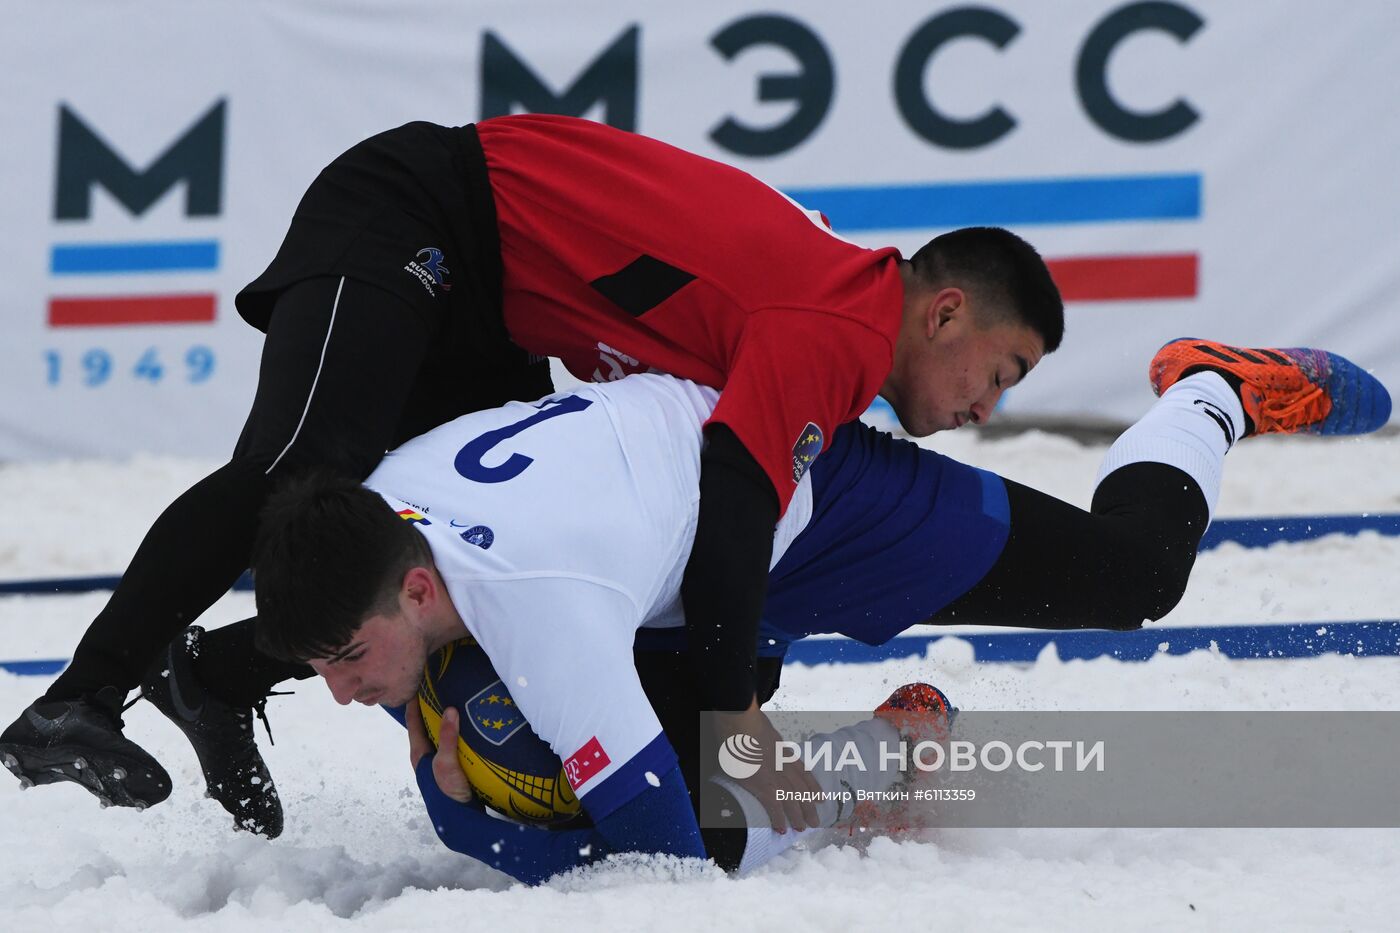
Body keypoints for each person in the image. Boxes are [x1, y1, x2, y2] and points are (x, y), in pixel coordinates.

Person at [0, 114, 1063, 836]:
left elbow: (721, 511)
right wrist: (730, 711)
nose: (987, 406)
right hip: (419, 210)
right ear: (944, 312)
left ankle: (222, 673)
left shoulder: (834, 319)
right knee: (303, 465)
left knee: (441, 562)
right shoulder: (840, 319)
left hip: (487, 300)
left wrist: (720, 696)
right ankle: (78, 698)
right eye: (1001, 371)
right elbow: (736, 507)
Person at [241, 339, 1388, 882]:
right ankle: (886, 748)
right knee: (697, 780)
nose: (341, 689)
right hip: (677, 551)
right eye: (324, 669)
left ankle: (1210, 394)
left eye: (346, 661)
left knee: (1130, 580)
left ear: (423, 587)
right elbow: (412, 684)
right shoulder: (375, 537)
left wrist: (472, 825)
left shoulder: (531, 608)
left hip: (811, 501)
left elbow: (663, 876)